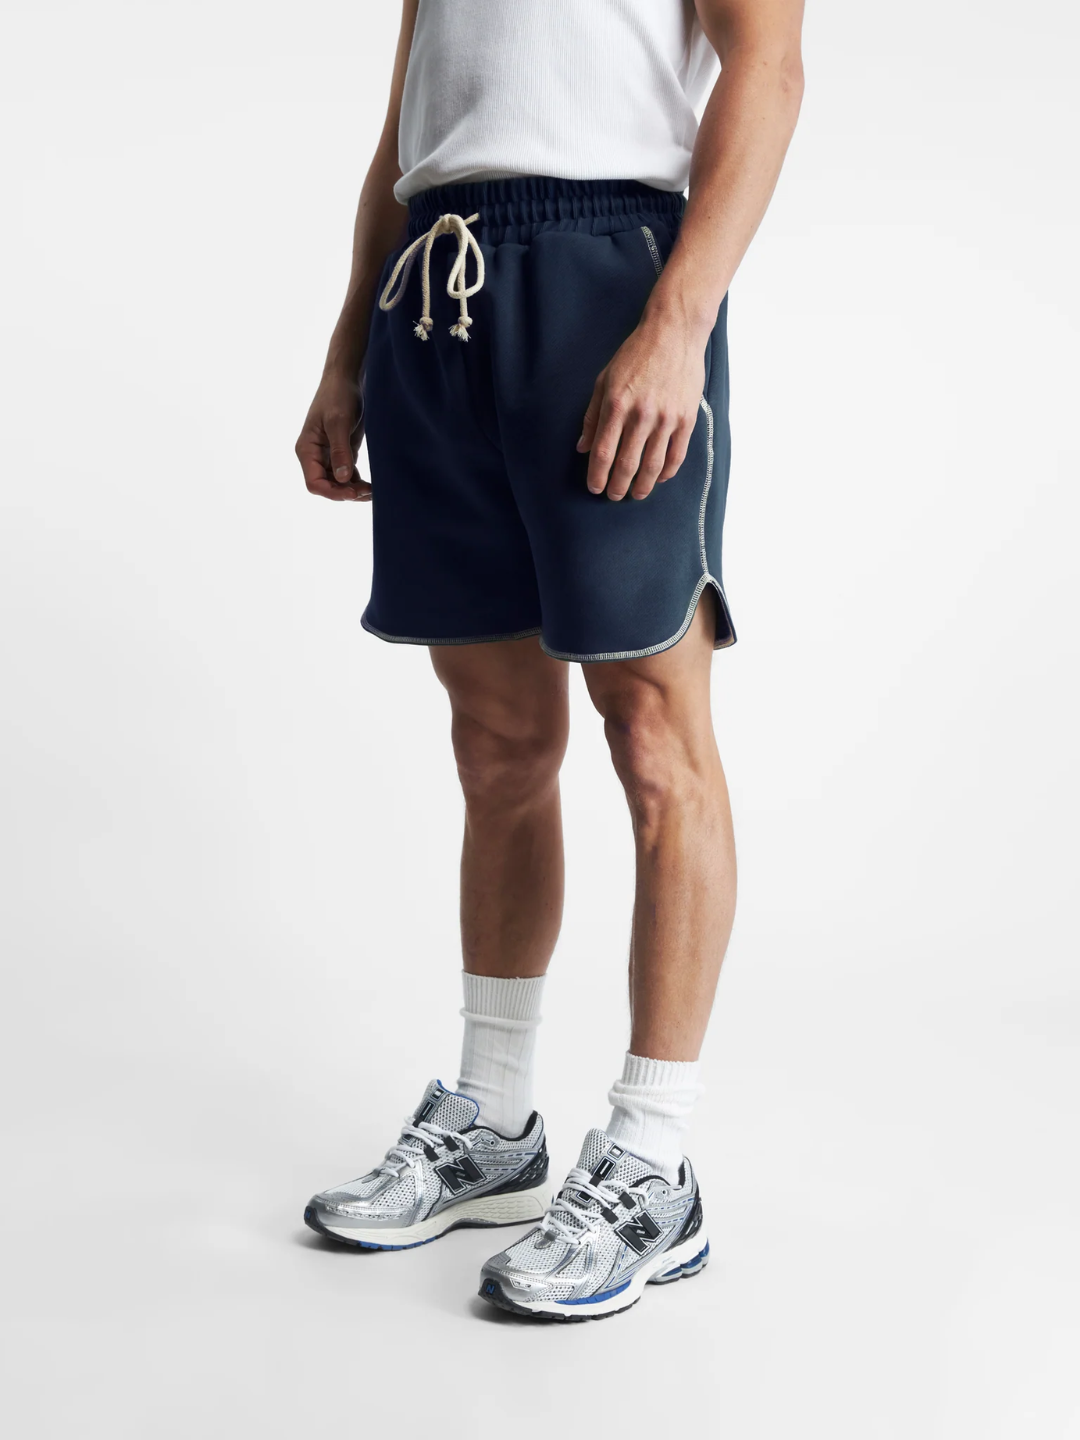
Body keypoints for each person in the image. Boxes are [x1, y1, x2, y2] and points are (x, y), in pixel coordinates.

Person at [295, 0, 803, 1321]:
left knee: (653, 730)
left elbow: (770, 63)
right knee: (499, 742)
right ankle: (496, 1120)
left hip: (607, 274)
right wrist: (352, 344)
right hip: (438, 283)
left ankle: (653, 1153)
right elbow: (409, 126)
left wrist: (679, 321)